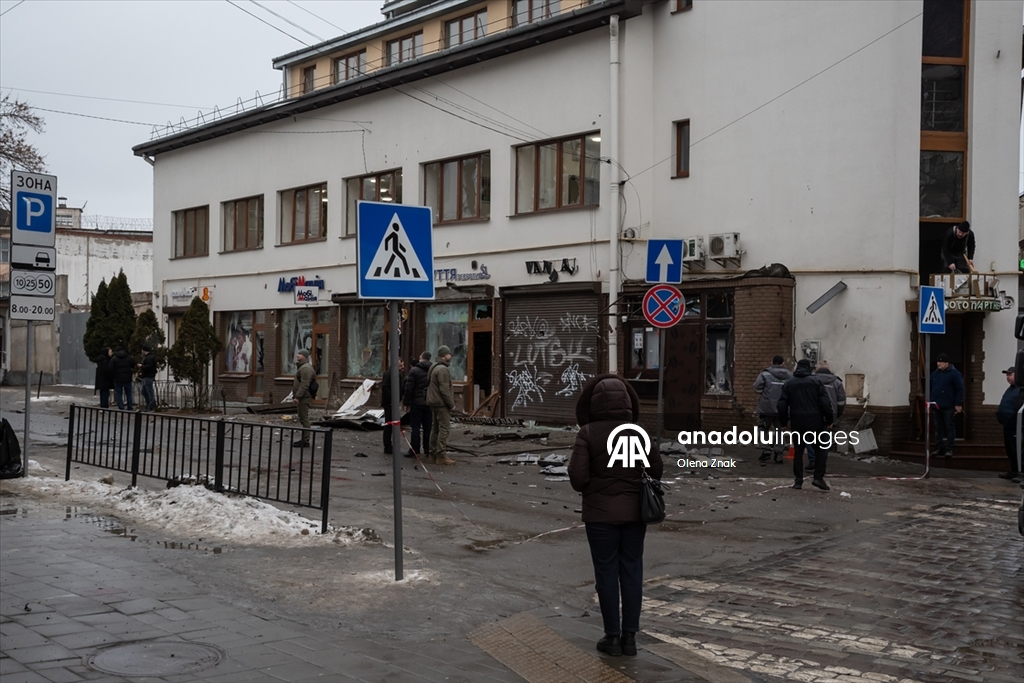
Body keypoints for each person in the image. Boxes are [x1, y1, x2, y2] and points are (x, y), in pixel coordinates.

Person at [568, 374, 663, 658]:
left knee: (606, 573)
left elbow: (577, 478)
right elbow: (656, 471)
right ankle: (630, 637)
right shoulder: (638, 432)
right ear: (627, 402)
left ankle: (611, 637)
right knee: (632, 571)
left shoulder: (587, 433)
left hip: (599, 517)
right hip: (636, 514)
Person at [777, 358, 834, 490]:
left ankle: (798, 481)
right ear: (809, 368)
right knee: (820, 449)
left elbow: (782, 404)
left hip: (797, 422)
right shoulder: (816, 382)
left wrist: (784, 422)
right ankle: (818, 478)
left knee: (798, 451)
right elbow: (825, 403)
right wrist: (830, 420)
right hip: (816, 422)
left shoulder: (789, 383)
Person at [753, 355, 792, 464]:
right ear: (783, 363)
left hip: (767, 408)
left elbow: (756, 387)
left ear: (772, 362)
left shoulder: (765, 374)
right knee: (780, 431)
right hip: (782, 409)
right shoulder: (790, 375)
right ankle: (779, 453)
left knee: (763, 428)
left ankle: (766, 449)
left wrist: (766, 393)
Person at [812, 360, 846, 468]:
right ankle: (822, 462)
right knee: (825, 440)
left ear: (817, 369)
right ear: (829, 369)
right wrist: (836, 415)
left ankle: (813, 460)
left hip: (812, 415)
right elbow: (841, 401)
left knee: (809, 438)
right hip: (829, 416)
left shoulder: (811, 380)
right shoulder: (837, 382)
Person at [425, 345, 455, 465]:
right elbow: (444, 389)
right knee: (444, 428)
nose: (450, 356)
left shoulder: (433, 367)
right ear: (444, 355)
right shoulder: (442, 370)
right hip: (441, 403)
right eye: (449, 354)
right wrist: (451, 404)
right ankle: (441, 455)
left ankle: (432, 454)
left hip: (433, 402)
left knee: (435, 428)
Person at [930, 352, 963, 457]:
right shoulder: (935, 374)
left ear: (947, 363)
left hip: (948, 404)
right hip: (936, 404)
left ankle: (949, 448)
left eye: (941, 362)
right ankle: (939, 447)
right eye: (938, 362)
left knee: (949, 426)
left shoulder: (954, 374)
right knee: (938, 427)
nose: (938, 364)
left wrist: (958, 403)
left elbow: (960, 389)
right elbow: (930, 387)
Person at [403, 351, 433, 459]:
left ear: (420, 358)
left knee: (415, 427)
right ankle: (427, 449)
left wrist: (406, 403)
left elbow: (409, 388)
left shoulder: (414, 371)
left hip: (416, 403)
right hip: (429, 403)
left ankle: (415, 450)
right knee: (428, 427)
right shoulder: (433, 370)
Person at [995, 366, 1022, 482]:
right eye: (1007, 375)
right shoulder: (1010, 389)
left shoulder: (1021, 389)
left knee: (1017, 449)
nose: (1008, 377)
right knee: (1010, 449)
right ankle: (1013, 470)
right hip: (1007, 425)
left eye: (1010, 375)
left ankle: (1019, 473)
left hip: (1016, 425)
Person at [291, 349, 316, 447]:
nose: (297, 355)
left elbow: (304, 384)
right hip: (303, 396)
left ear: (305, 356)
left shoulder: (306, 368)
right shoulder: (303, 367)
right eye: (298, 353)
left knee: (304, 418)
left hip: (304, 397)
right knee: (302, 417)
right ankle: (305, 439)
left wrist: (297, 396)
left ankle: (305, 440)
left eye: (300, 354)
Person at [381, 358, 405, 455]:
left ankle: (391, 445)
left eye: (402, 365)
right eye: (400, 366)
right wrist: (392, 401)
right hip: (389, 403)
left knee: (392, 424)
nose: (402, 368)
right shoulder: (389, 374)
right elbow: (385, 388)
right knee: (389, 424)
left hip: (392, 402)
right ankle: (387, 445)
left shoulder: (396, 374)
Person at [139, 344, 158, 411]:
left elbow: (148, 367)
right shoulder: (150, 357)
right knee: (145, 391)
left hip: (148, 376)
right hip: (147, 376)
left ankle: (150, 406)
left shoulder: (149, 358)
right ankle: (149, 405)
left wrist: (141, 366)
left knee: (148, 391)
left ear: (144, 350)